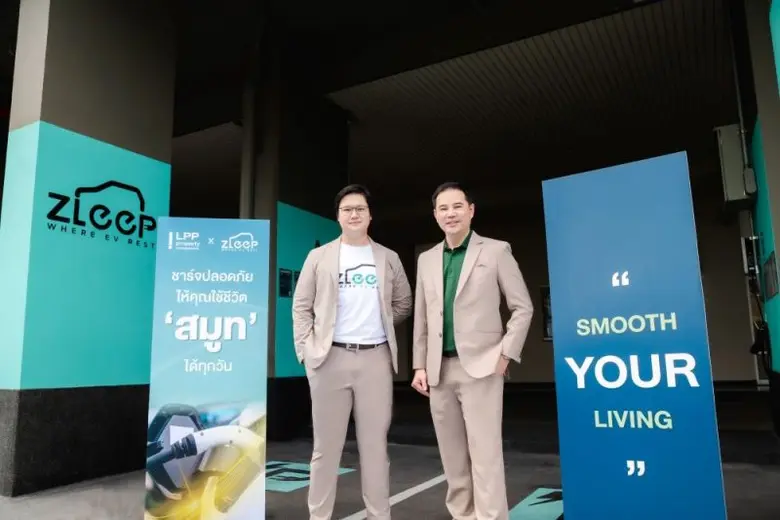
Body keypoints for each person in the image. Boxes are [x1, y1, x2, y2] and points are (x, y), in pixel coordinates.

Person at [411, 181, 534, 520]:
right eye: (443, 208)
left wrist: (505, 354)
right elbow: (423, 316)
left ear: (471, 210)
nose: (450, 213)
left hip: (482, 366)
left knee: (485, 455)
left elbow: (523, 307)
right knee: (452, 458)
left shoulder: (495, 251)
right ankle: (463, 516)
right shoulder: (426, 259)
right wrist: (419, 365)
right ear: (435, 215)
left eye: (457, 206)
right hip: (438, 370)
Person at [293, 184, 413, 520]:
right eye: (347, 209)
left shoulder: (388, 257)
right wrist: (306, 351)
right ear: (338, 216)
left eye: (360, 208)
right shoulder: (319, 257)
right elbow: (301, 307)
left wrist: (380, 321)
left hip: (375, 359)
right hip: (329, 358)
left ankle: (379, 515)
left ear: (370, 215)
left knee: (375, 448)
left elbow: (404, 302)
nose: (354, 214)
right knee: (325, 449)